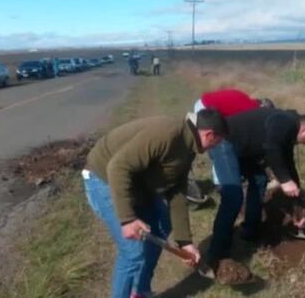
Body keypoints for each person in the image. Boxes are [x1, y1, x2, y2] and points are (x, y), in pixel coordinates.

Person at [82, 109, 228, 298]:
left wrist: (185, 243)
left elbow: (177, 192)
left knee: (161, 224)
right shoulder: (168, 134)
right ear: (210, 135)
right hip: (104, 178)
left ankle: (139, 291)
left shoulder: (189, 147)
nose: (216, 147)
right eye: (218, 142)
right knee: (133, 253)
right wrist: (127, 220)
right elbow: (118, 167)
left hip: (137, 184)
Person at [205, 108, 305, 266]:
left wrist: (297, 199)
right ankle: (217, 254)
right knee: (233, 197)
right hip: (224, 143)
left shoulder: (288, 133)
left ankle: (250, 231)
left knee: (260, 180)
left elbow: (288, 163)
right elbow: (271, 148)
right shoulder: (284, 121)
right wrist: (285, 181)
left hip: (243, 150)